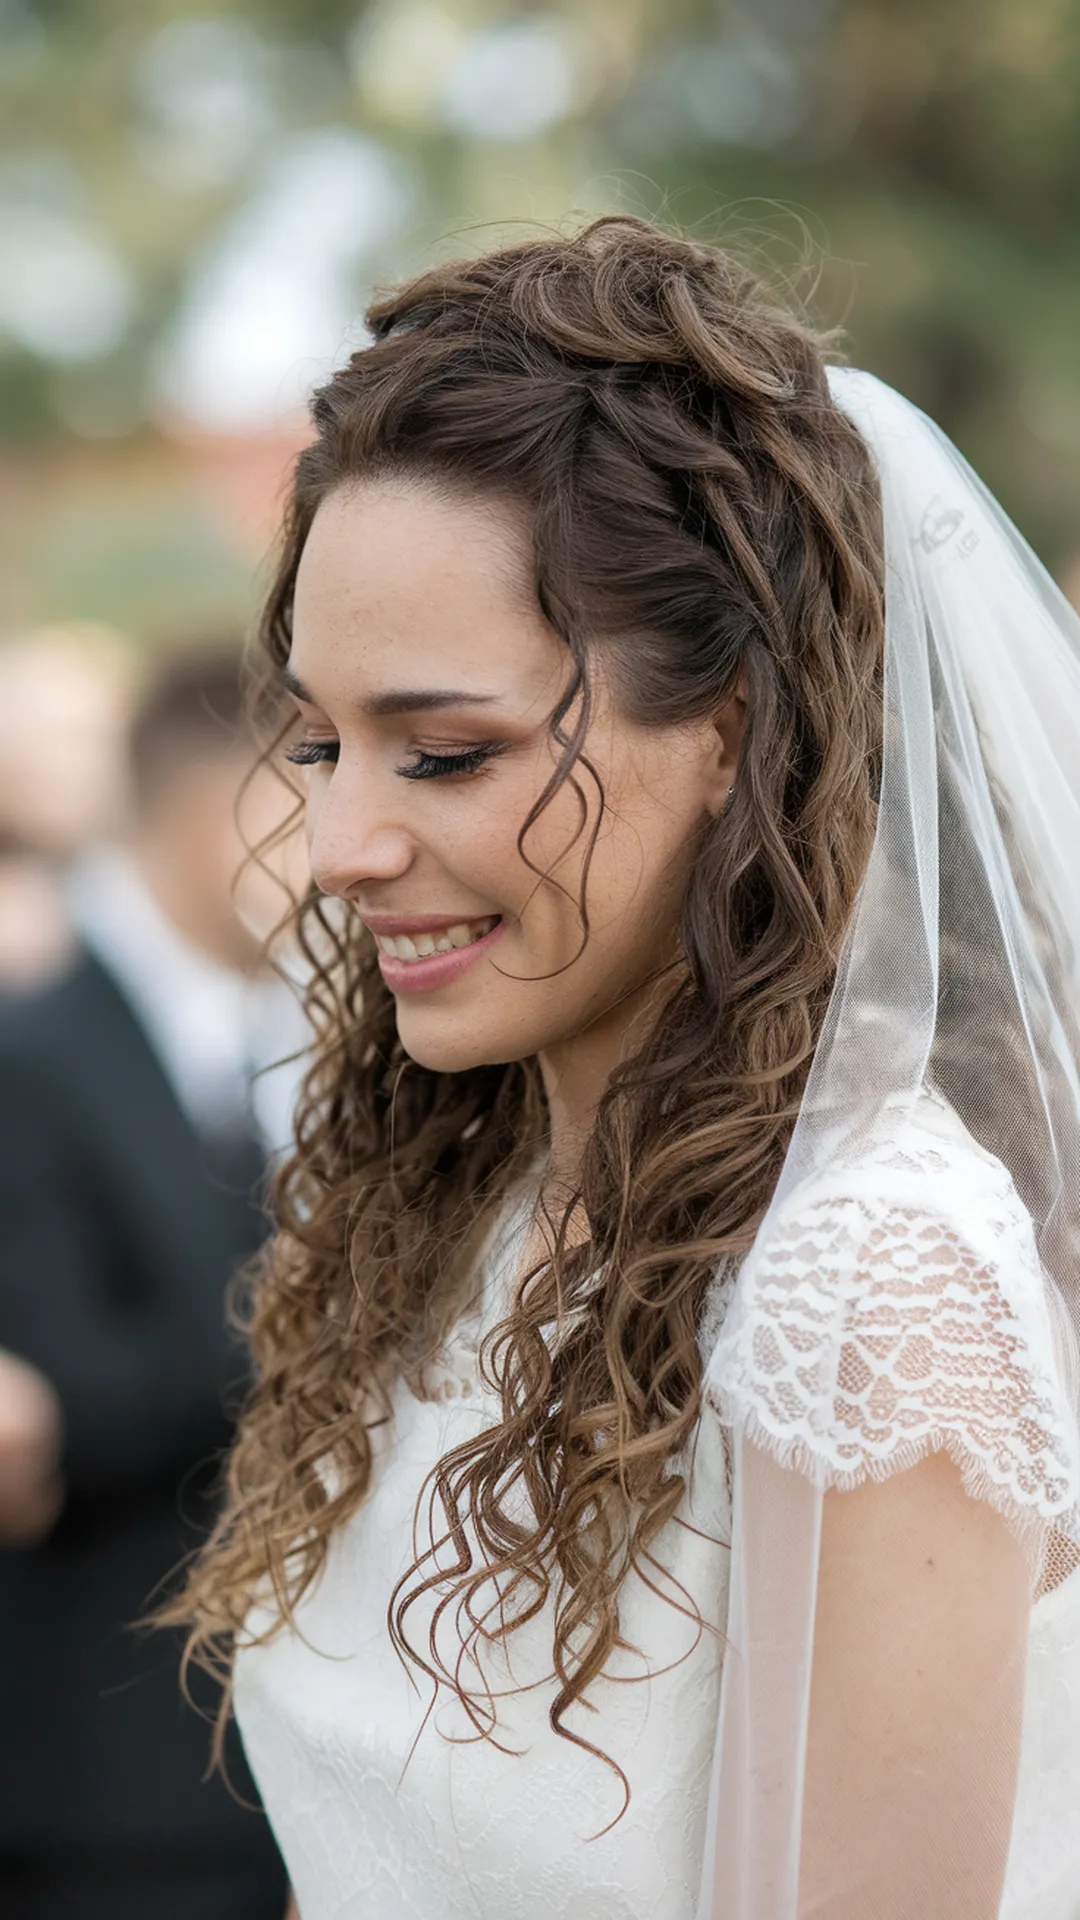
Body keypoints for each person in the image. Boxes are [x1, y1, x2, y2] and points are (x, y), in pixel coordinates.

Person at [168, 221, 1080, 1919]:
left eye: (444, 752)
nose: (341, 839)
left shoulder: (866, 1284)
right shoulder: (462, 1203)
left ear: (732, 732)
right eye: (319, 740)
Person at [0, 646, 295, 1919]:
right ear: (210, 800)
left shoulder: (290, 1030)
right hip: (121, 1786)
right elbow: (64, 1396)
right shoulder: (34, 1051)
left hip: (286, 1770)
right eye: (310, 783)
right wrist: (326, 1291)